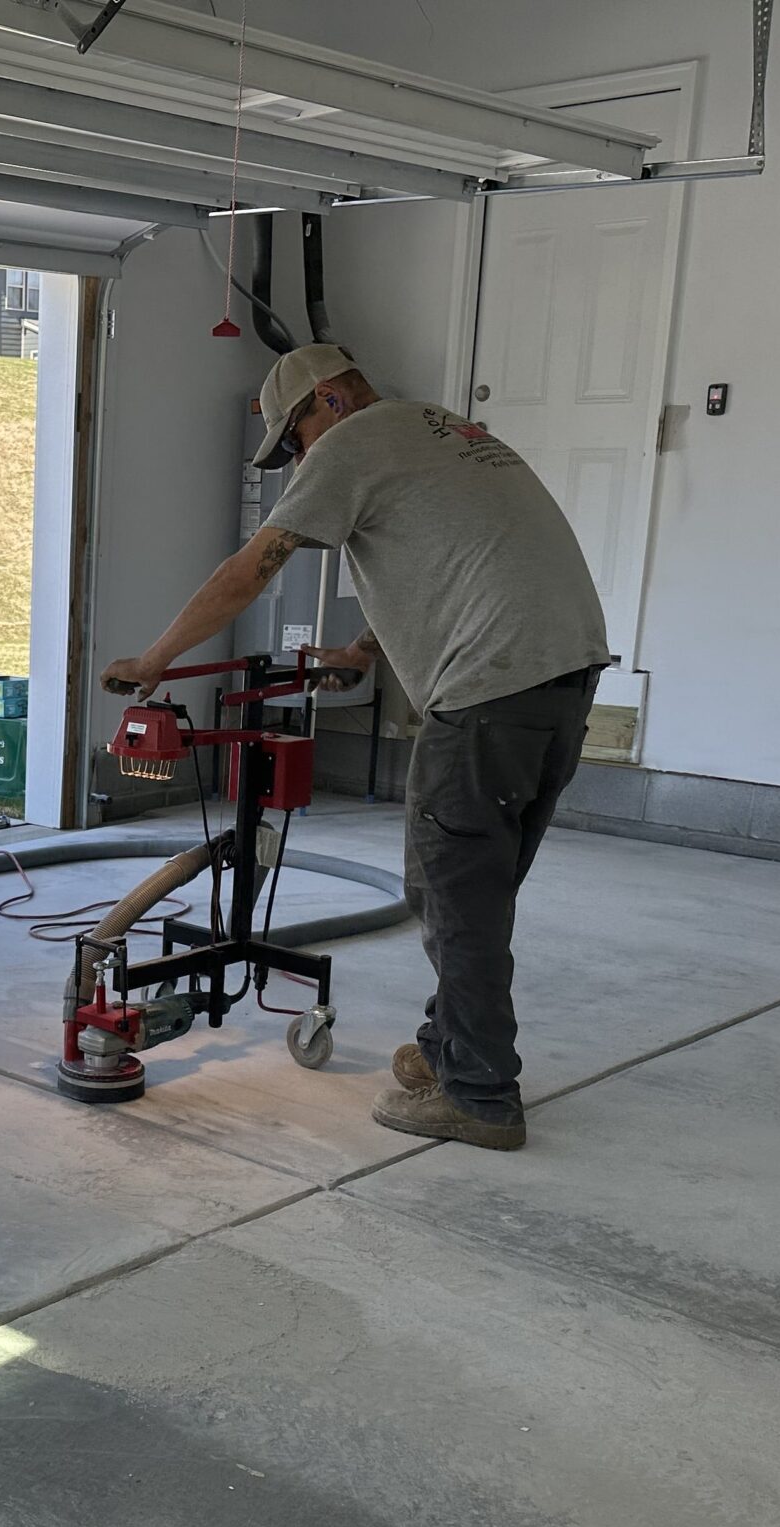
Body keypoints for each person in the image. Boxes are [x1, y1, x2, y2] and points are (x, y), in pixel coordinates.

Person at [101, 344, 609, 1151]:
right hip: (561, 680)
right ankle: (450, 1049)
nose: (301, 458)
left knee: (451, 890)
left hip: (486, 695)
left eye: (295, 437)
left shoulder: (352, 442)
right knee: (476, 880)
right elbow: (458, 564)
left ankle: (479, 1095)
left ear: (329, 402)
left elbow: (249, 572)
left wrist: (153, 661)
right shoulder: (441, 431)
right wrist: (366, 652)